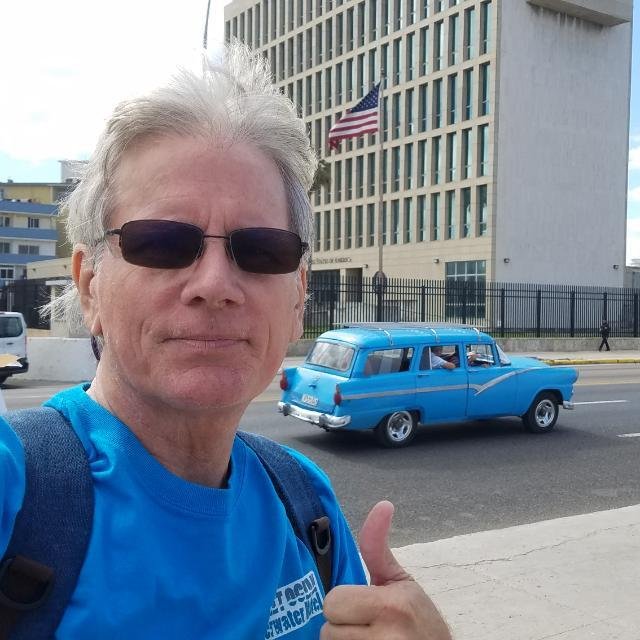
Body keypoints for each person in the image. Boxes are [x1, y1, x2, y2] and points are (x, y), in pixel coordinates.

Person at [0, 45, 452, 639]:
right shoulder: (16, 488)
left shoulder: (304, 502)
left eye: (261, 250)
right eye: (163, 243)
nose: (215, 285)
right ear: (90, 286)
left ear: (298, 297)